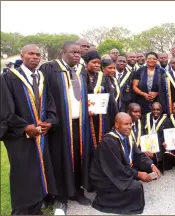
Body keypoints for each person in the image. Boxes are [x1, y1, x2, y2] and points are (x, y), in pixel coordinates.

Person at [0, 44, 57, 215]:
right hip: (18, 135)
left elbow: (50, 103)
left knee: (38, 169)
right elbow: (4, 108)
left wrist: (50, 121)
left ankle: (36, 206)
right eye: (31, 53)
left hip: (40, 134)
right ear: (22, 55)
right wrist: (24, 127)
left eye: (38, 54)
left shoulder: (41, 77)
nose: (35, 57)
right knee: (23, 171)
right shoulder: (8, 78)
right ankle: (22, 210)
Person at [39, 41, 92, 214]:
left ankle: (77, 190)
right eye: (73, 52)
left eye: (79, 53)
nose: (77, 55)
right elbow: (43, 97)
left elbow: (88, 95)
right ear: (63, 52)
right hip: (59, 126)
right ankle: (60, 197)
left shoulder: (81, 70)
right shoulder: (49, 69)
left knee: (79, 157)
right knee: (60, 159)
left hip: (79, 124)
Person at [90, 112, 161, 214]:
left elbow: (138, 155)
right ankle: (103, 201)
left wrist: (151, 165)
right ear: (117, 125)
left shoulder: (126, 136)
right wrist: (138, 174)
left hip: (118, 170)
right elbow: (115, 168)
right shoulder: (109, 142)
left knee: (139, 180)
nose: (129, 127)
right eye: (126, 124)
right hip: (105, 177)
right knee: (136, 188)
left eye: (130, 124)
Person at [83, 51, 118, 148]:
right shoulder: (80, 76)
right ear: (86, 62)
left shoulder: (102, 77)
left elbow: (111, 99)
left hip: (102, 117)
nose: (97, 65)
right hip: (85, 116)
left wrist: (115, 117)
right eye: (94, 62)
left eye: (98, 63)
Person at [142, 102, 167, 171]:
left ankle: (154, 165)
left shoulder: (165, 120)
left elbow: (163, 136)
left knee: (156, 152)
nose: (156, 111)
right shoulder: (145, 117)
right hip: (145, 141)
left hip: (158, 143)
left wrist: (154, 144)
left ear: (161, 111)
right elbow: (142, 131)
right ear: (151, 110)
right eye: (154, 109)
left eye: (158, 110)